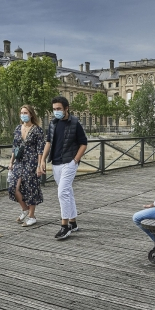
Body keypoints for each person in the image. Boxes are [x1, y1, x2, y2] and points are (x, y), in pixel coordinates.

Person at [40, 96, 88, 240]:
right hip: (56, 163)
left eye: (59, 109)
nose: (56, 111)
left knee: (62, 193)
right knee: (68, 192)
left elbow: (83, 143)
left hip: (69, 162)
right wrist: (42, 160)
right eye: (54, 109)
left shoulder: (75, 123)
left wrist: (75, 160)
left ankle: (64, 226)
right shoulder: (53, 123)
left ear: (66, 108)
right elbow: (48, 142)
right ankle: (73, 222)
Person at [8, 105, 45, 226]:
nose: (23, 114)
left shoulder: (37, 130)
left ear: (31, 114)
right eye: (21, 112)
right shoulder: (18, 128)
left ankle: (32, 216)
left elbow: (40, 149)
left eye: (25, 112)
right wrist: (11, 162)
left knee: (30, 187)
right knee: (13, 187)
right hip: (19, 162)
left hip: (31, 162)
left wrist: (39, 165)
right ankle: (24, 209)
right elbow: (15, 147)